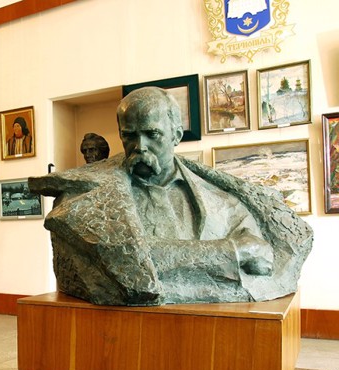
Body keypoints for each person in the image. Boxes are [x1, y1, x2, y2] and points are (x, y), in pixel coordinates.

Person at [29, 86, 313, 306]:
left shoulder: (221, 199)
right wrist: (231, 252)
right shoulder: (82, 196)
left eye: (152, 134)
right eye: (129, 135)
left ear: (177, 135)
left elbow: (261, 257)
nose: (140, 146)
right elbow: (128, 258)